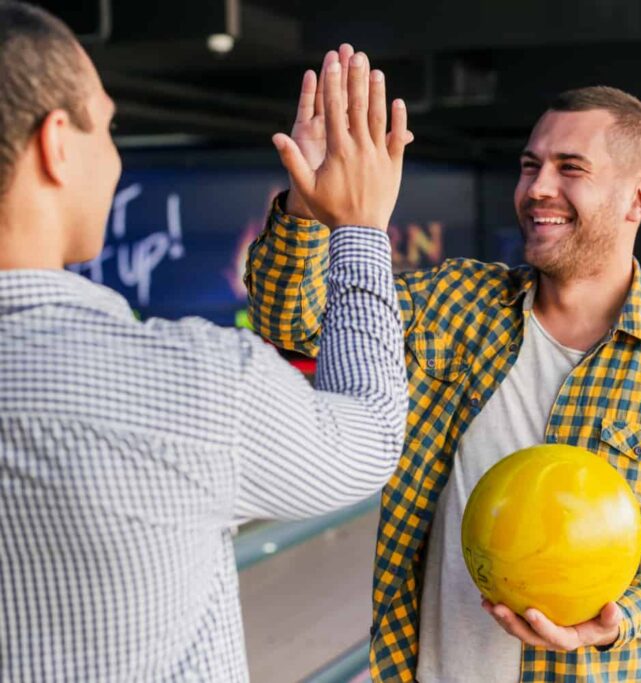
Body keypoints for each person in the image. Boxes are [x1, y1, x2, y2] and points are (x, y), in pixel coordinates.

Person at [249, 53, 641, 682]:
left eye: (570, 168)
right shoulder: (453, 304)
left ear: (639, 197)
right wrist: (307, 209)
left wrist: (625, 615)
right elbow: (296, 323)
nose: (538, 187)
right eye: (530, 166)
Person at [0, 3, 411, 681]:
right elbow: (367, 441)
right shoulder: (195, 382)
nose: (114, 152)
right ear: (57, 144)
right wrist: (359, 228)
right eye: (107, 124)